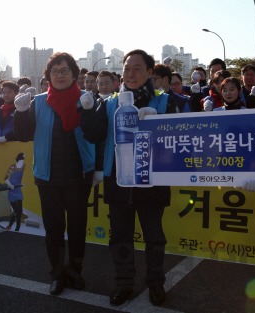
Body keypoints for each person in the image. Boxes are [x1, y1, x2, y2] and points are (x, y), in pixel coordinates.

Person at [80, 49, 178, 307]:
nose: (131, 73)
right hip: (118, 181)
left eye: (137, 68)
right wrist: (87, 110)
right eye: (126, 68)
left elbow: (181, 139)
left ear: (149, 72)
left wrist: (160, 123)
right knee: (120, 236)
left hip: (152, 180)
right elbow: (93, 135)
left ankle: (155, 284)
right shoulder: (109, 102)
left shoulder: (166, 101)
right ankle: (123, 284)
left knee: (154, 236)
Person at [13, 52, 104, 296]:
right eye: (54, 71)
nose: (59, 75)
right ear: (48, 76)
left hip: (79, 174)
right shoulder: (38, 102)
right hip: (47, 176)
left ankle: (75, 270)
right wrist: (20, 113)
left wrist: (97, 168)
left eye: (64, 70)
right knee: (53, 228)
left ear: (75, 74)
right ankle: (57, 274)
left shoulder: (87, 100)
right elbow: (23, 135)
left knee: (76, 225)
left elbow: (96, 135)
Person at [5, 153, 26, 231]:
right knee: (17, 212)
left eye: (22, 161)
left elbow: (18, 180)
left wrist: (21, 184)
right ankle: (16, 228)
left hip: (18, 191)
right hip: (12, 192)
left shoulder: (24, 166)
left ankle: (13, 227)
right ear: (17, 161)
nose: (22, 163)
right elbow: (6, 178)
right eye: (20, 162)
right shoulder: (12, 167)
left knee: (19, 211)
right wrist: (10, 185)